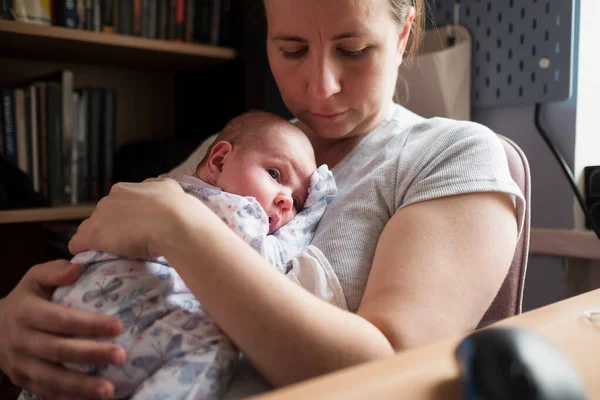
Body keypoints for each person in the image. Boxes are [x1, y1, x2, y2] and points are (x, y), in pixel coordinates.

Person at [0, 0, 526, 399]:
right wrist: (20, 317)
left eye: (353, 50)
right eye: (292, 49)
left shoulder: (451, 154)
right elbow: (106, 241)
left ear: (404, 30)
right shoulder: (238, 146)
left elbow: (391, 375)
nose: (320, 87)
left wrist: (183, 228)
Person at [18, 110, 345, 400]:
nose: (287, 200)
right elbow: (271, 260)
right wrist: (313, 208)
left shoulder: (160, 189)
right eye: (275, 175)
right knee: (213, 347)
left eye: (298, 201)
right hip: (120, 326)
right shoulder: (238, 211)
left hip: (65, 321)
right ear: (219, 161)